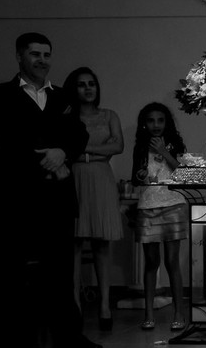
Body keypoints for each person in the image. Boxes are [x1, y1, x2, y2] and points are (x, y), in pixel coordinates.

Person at [0, 32, 101, 348]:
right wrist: (48, 161)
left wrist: (63, 152)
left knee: (60, 271)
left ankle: (69, 336)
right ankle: (2, 343)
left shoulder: (63, 97)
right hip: (17, 196)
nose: (42, 60)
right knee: (9, 270)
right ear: (20, 56)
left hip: (57, 197)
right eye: (35, 54)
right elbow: (6, 140)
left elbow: (77, 133)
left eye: (47, 55)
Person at [63, 67, 124, 330]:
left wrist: (82, 148)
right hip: (74, 175)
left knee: (101, 244)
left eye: (92, 84)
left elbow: (117, 147)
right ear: (73, 89)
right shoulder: (66, 115)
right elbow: (65, 148)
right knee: (74, 243)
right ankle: (74, 304)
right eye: (81, 84)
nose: (88, 88)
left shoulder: (109, 115)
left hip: (101, 177)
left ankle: (104, 306)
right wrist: (97, 151)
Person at [131, 103, 188, 332]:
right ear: (145, 123)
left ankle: (178, 313)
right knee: (151, 261)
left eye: (160, 120)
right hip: (147, 205)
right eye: (151, 120)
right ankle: (148, 314)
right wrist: (140, 174)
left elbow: (182, 173)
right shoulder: (140, 146)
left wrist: (164, 152)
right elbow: (135, 178)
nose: (156, 125)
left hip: (173, 203)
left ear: (167, 123)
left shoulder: (174, 143)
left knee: (172, 261)